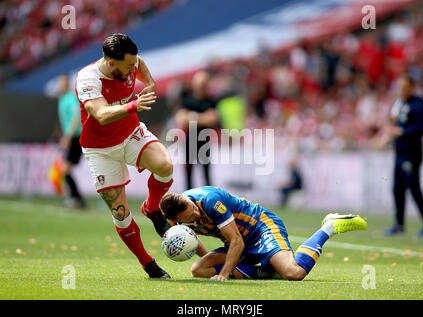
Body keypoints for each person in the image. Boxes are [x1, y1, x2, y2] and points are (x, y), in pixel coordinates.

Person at [75, 33, 173, 278]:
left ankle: (152, 209)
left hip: (130, 133)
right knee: (120, 214)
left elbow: (139, 64)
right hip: (100, 150)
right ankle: (147, 263)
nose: (132, 70)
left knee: (165, 166)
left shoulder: (130, 62)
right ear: (111, 63)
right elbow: (100, 114)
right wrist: (132, 106)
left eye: (133, 64)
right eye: (127, 66)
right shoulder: (88, 79)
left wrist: (149, 84)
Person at [159, 186, 368, 281]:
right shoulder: (177, 221)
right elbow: (194, 241)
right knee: (199, 269)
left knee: (294, 273)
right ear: (177, 220)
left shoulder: (210, 201)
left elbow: (236, 241)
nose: (196, 211)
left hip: (261, 228)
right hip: (239, 243)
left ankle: (329, 226)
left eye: (193, 207)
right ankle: (266, 272)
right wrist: (199, 253)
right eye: (191, 214)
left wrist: (223, 275)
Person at [384, 75, 423, 237]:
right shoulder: (399, 103)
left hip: (411, 154)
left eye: (405, 87)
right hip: (399, 153)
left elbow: (422, 127)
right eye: (400, 87)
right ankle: (399, 224)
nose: (402, 90)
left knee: (414, 188)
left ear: (412, 88)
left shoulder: (417, 104)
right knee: (397, 188)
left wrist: (402, 131)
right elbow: (393, 122)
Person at [174, 71, 219, 189]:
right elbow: (181, 119)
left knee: (206, 175)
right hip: (190, 141)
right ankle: (188, 201)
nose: (200, 86)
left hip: (204, 141)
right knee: (188, 174)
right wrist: (202, 117)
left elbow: (212, 119)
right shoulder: (187, 99)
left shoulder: (211, 100)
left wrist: (192, 117)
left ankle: (209, 200)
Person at [57, 74, 87, 209]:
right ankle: (76, 199)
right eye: (59, 83)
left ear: (67, 84)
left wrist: (67, 137)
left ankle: (77, 199)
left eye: (62, 83)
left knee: (65, 169)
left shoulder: (70, 99)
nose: (60, 86)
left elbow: (76, 118)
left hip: (76, 137)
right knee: (66, 169)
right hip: (72, 137)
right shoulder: (62, 99)